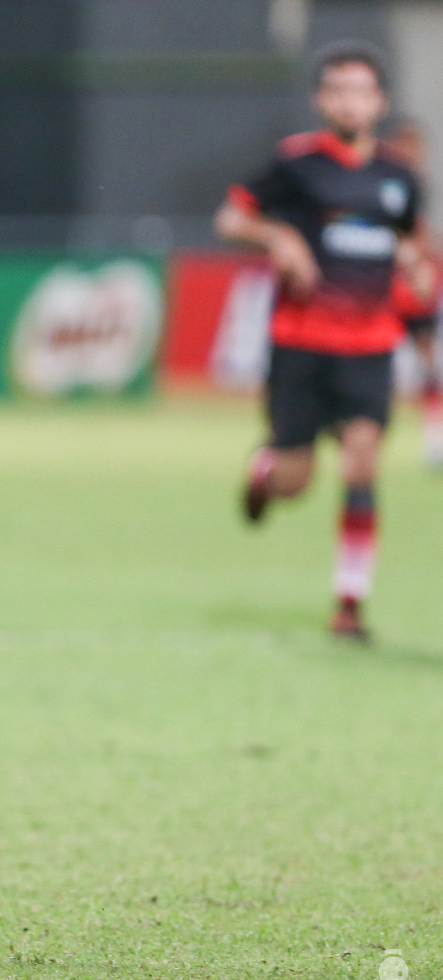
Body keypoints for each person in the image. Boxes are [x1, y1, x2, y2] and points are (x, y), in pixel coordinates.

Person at [216, 41, 426, 642]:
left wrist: (414, 262)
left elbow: (410, 236)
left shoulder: (398, 175)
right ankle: (266, 467)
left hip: (370, 345)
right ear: (321, 99)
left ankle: (349, 603)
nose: (349, 101)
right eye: (337, 89)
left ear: (380, 100)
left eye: (360, 90)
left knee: (363, 464)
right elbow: (231, 219)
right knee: (296, 482)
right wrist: (279, 238)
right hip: (301, 343)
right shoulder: (295, 163)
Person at [382, 117, 443, 465]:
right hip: (378, 287)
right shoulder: (375, 182)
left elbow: (420, 233)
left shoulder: (419, 185)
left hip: (413, 287)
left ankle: (434, 437)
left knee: (427, 360)